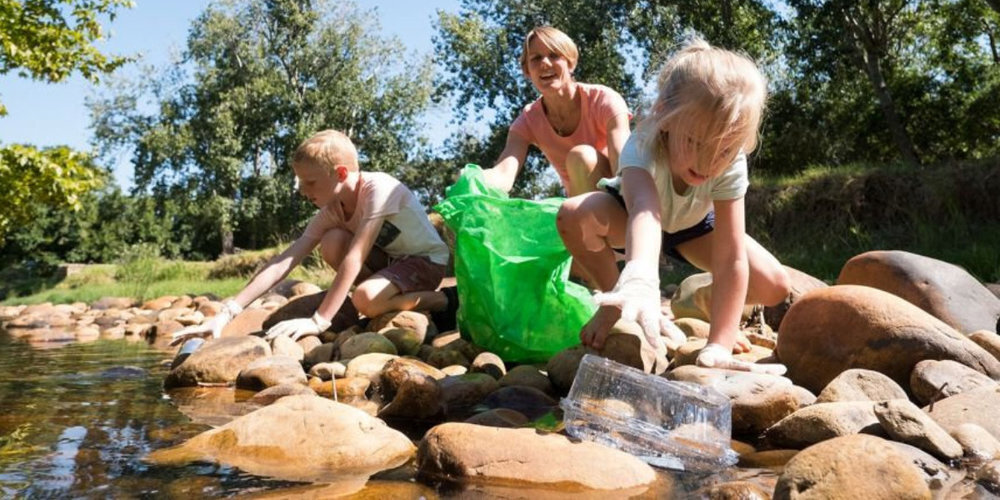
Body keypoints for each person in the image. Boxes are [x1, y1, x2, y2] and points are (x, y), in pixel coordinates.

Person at [555, 39, 791, 374]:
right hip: (630, 217)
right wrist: (639, 279)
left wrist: (720, 343)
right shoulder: (644, 144)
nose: (708, 162)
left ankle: (702, 302)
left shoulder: (730, 161)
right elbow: (645, 210)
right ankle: (614, 300)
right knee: (574, 215)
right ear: (664, 113)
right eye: (695, 142)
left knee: (774, 285)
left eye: (724, 150)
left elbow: (730, 255)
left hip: (692, 230)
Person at [171, 129, 454, 345]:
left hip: (425, 261)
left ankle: (443, 301)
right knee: (331, 242)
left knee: (365, 299)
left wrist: (320, 320)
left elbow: (355, 257)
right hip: (393, 262)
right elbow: (285, 261)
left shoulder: (378, 190)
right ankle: (375, 297)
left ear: (341, 173)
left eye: (310, 182)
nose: (302, 190)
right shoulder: (333, 210)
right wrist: (227, 312)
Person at [482, 26, 631, 197]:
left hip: (623, 198)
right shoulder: (527, 122)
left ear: (571, 63)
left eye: (554, 55)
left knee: (582, 156)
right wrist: (477, 179)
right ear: (527, 71)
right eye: (536, 58)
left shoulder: (604, 99)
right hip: (577, 211)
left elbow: (625, 164)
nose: (545, 63)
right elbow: (503, 174)